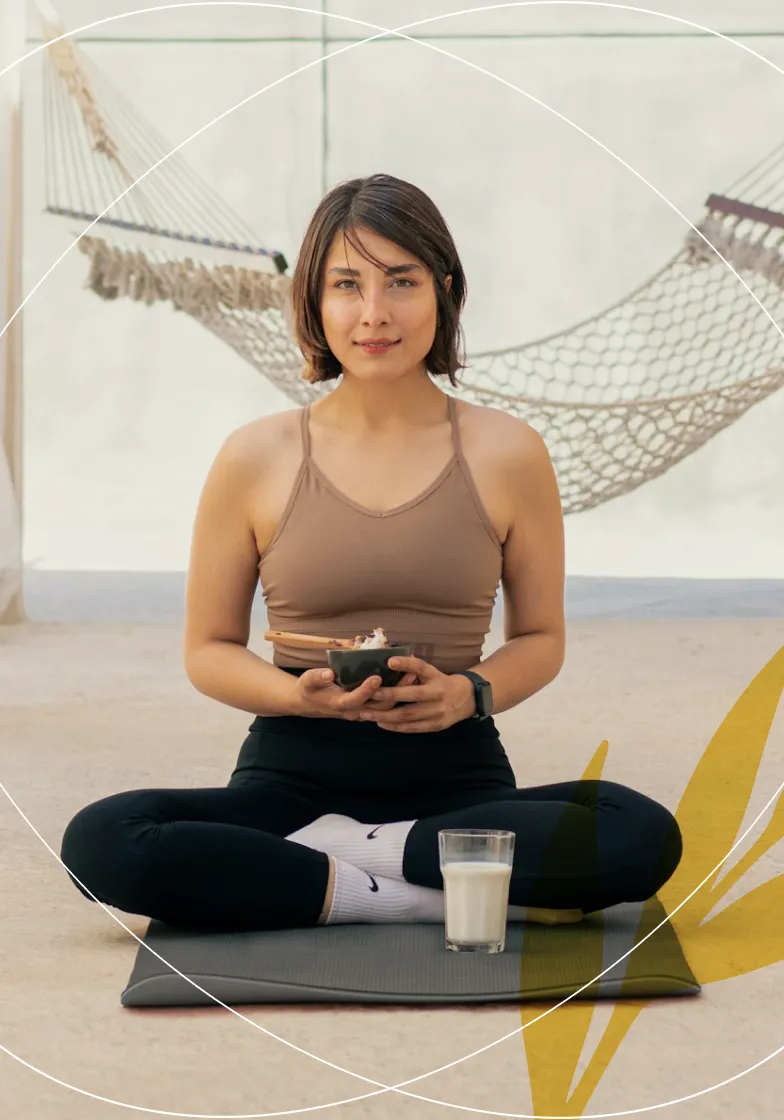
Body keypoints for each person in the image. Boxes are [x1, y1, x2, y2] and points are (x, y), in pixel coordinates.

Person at [61, 173, 682, 933]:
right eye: (347, 285)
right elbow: (208, 648)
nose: (375, 314)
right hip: (288, 782)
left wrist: (468, 693)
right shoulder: (255, 455)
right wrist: (296, 695)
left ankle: (344, 864)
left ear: (444, 290)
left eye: (402, 281)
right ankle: (428, 891)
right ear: (315, 305)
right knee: (102, 840)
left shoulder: (508, 451)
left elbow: (541, 640)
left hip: (458, 780)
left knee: (640, 832)